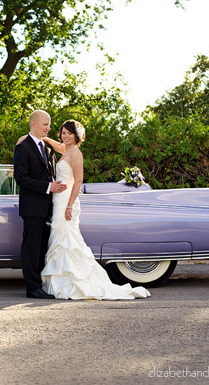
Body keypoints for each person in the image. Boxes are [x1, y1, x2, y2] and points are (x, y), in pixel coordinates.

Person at [40, 120, 150, 300]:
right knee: (59, 238)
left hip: (67, 201)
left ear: (77, 136)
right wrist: (40, 137)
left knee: (68, 240)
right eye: (63, 133)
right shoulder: (66, 150)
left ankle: (73, 282)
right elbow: (56, 145)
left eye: (69, 133)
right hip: (58, 200)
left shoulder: (76, 154)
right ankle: (63, 280)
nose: (65, 136)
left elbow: (78, 181)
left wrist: (69, 205)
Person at [13, 110, 67, 299]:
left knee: (43, 248)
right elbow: (21, 178)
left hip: (48, 207)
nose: (49, 128)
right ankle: (32, 289)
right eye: (45, 124)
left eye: (49, 124)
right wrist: (48, 186)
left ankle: (41, 285)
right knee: (31, 248)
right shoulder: (23, 147)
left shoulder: (46, 146)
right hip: (32, 208)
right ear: (33, 124)